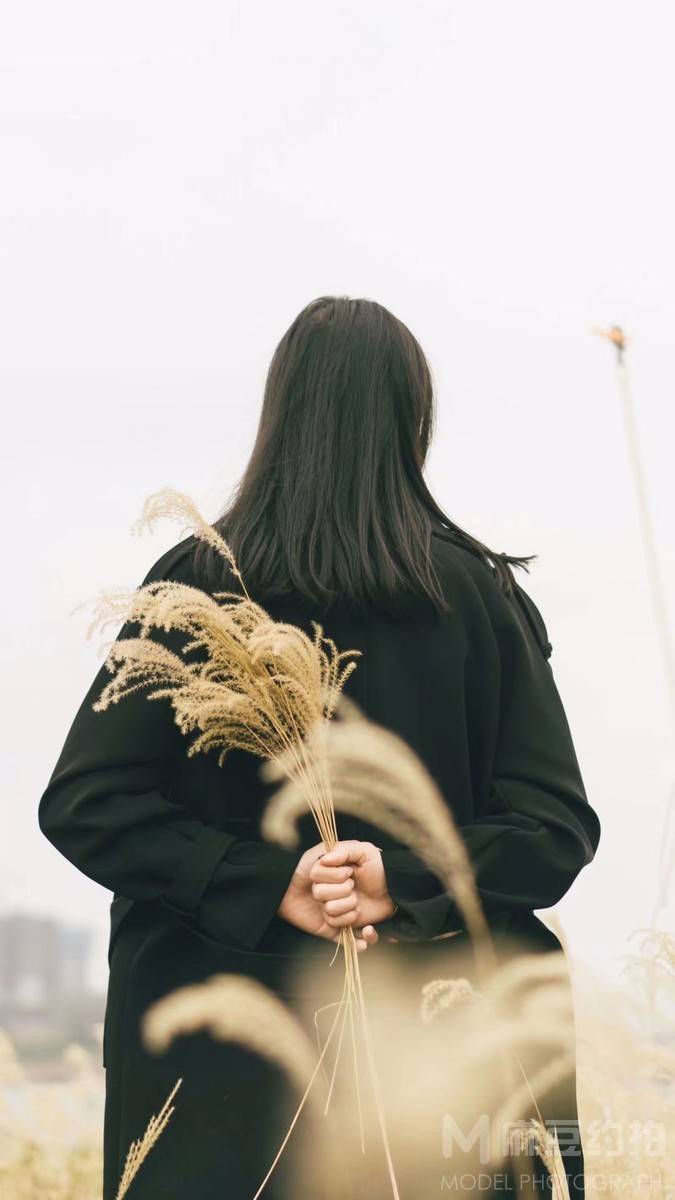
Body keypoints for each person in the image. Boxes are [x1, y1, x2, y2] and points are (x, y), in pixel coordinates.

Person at [38, 295, 601, 1199]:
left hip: (212, 1100)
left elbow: (85, 803)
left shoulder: (195, 587)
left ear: (281, 413)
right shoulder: (482, 598)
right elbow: (553, 828)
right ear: (412, 418)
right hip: (448, 1087)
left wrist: (264, 882)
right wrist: (401, 881)